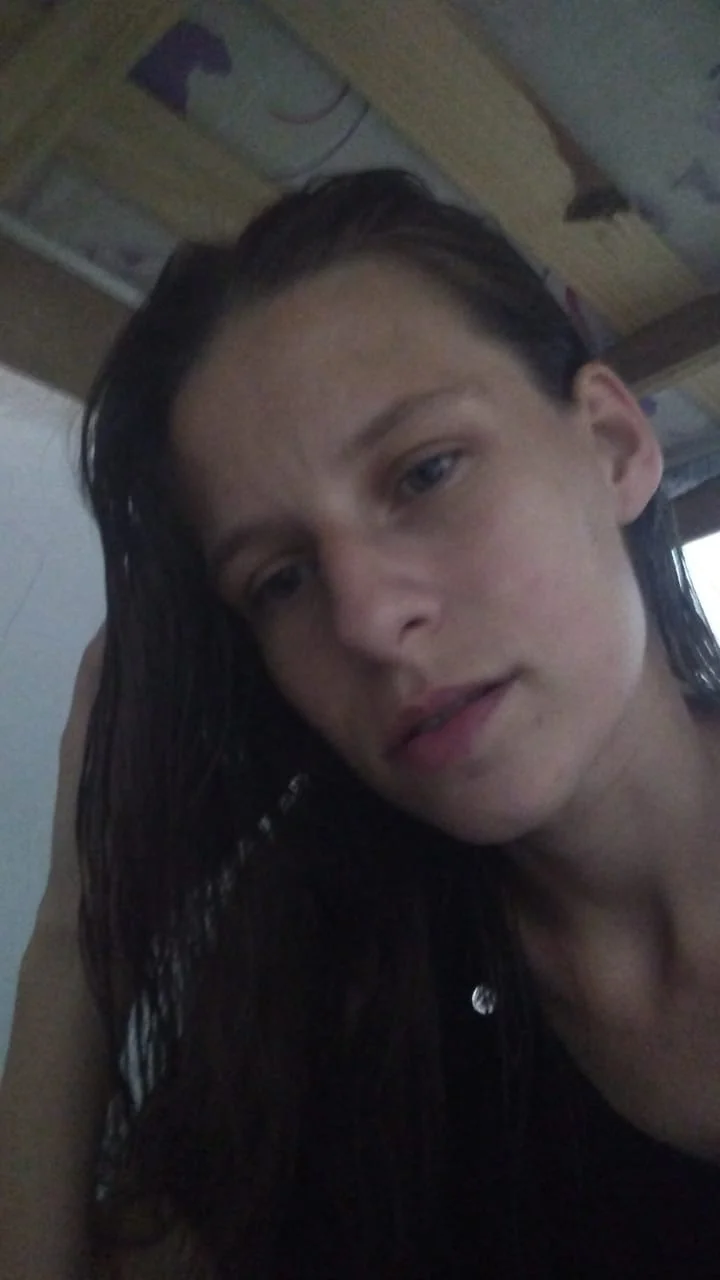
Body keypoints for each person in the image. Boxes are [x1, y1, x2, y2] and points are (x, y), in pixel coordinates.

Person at [3, 168, 720, 1280]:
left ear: (615, 445)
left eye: (426, 471)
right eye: (281, 578)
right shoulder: (336, 1013)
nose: (370, 621)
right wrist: (78, 928)